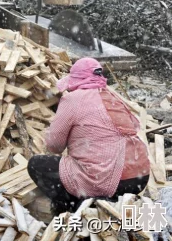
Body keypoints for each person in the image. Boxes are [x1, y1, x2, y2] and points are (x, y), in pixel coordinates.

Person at [27, 57, 150, 215]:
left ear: (76, 80)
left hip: (111, 179)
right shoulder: (113, 97)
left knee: (37, 164)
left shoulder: (73, 99)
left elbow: (54, 146)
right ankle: (105, 203)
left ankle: (75, 209)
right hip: (138, 179)